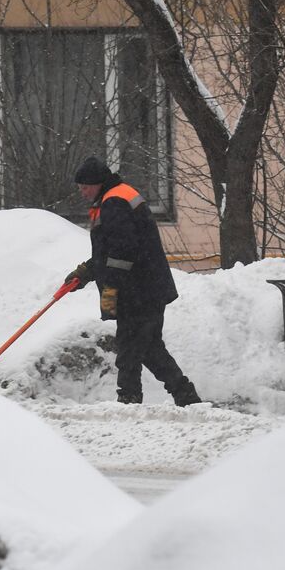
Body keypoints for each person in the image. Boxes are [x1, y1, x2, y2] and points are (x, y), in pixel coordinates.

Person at [65, 156, 202, 406]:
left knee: (129, 346)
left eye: (85, 187)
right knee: (148, 347)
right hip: (147, 287)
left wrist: (112, 288)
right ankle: (186, 396)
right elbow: (111, 250)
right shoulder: (114, 197)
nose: (82, 192)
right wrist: (86, 271)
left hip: (138, 290)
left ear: (97, 183)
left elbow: (122, 252)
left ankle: (128, 400)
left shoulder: (114, 202)